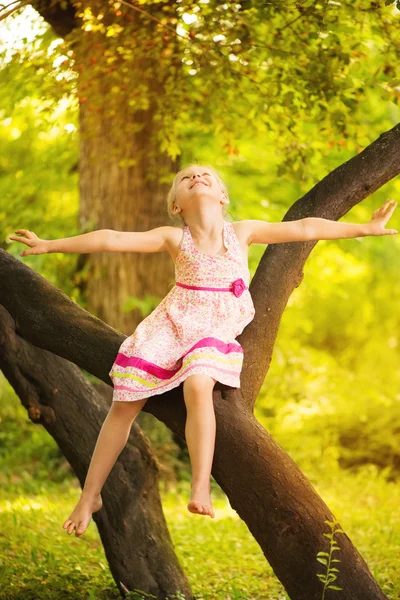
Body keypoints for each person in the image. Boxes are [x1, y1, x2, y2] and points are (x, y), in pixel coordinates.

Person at [8, 163, 397, 536]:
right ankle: (89, 496)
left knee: (198, 384)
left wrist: (364, 227)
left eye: (205, 175)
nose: (196, 177)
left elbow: (304, 226)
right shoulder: (174, 237)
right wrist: (50, 244)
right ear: (177, 204)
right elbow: (111, 238)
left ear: (223, 196)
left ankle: (200, 485)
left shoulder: (242, 232)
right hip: (174, 322)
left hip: (216, 324)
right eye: (187, 177)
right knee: (123, 403)